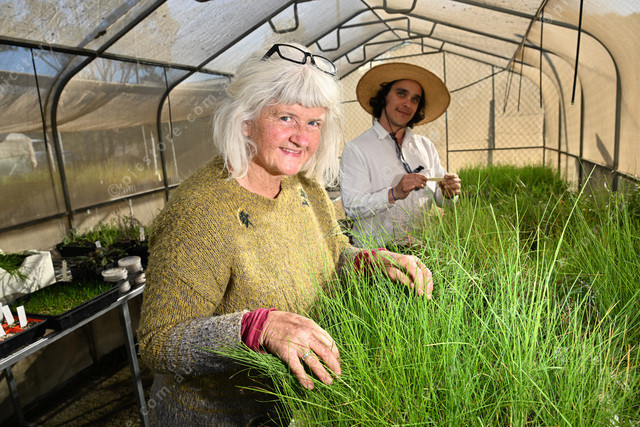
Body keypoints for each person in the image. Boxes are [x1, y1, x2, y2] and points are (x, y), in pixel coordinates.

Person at [138, 43, 434, 426]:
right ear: (245, 120)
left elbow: (335, 252)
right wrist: (255, 328)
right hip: (215, 415)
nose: (301, 138)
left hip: (285, 405)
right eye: (286, 117)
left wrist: (368, 260)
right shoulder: (200, 211)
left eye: (314, 123)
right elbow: (158, 341)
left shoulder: (304, 188)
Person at [340, 63, 462, 248]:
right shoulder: (357, 149)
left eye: (415, 99)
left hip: (420, 248)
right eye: (401, 94)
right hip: (377, 253)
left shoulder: (425, 146)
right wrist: (393, 194)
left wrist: (448, 193)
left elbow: (441, 199)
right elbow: (352, 207)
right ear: (384, 97)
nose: (408, 104)